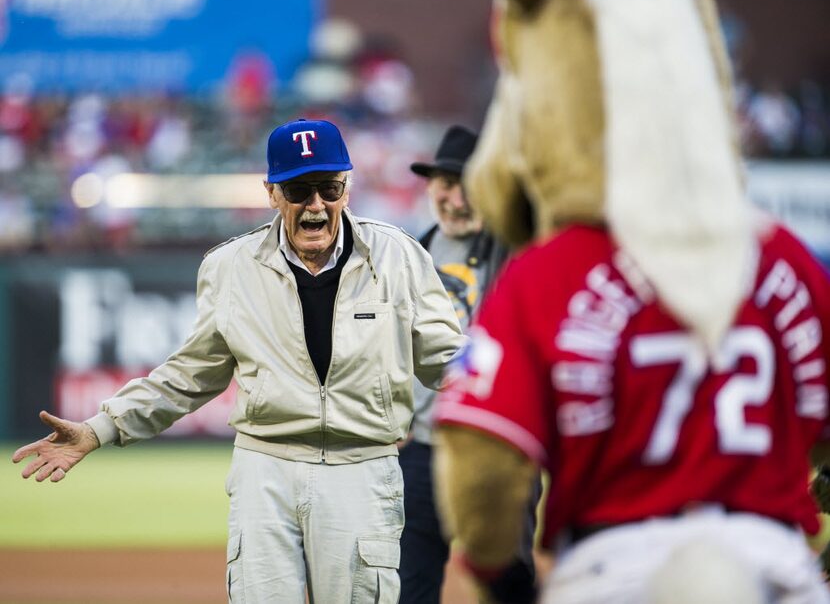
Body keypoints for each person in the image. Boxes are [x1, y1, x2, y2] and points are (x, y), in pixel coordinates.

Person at [13, 118, 465, 604]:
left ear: (347, 188)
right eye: (298, 190)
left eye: (329, 188)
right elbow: (188, 376)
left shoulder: (398, 256)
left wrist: (508, 384)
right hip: (265, 469)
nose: (315, 205)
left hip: (362, 466)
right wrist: (100, 427)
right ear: (272, 193)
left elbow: (446, 357)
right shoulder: (230, 267)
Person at [432, 213, 830, 603]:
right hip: (769, 556)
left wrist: (495, 572)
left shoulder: (552, 264)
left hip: (615, 560)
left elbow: (483, 455)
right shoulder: (784, 255)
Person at [399, 125, 535, 603]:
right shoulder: (409, 254)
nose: (455, 198)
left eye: (468, 184)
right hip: (423, 446)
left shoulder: (517, 245)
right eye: (445, 183)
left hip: (496, 444)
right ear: (430, 186)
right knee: (411, 588)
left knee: (504, 582)